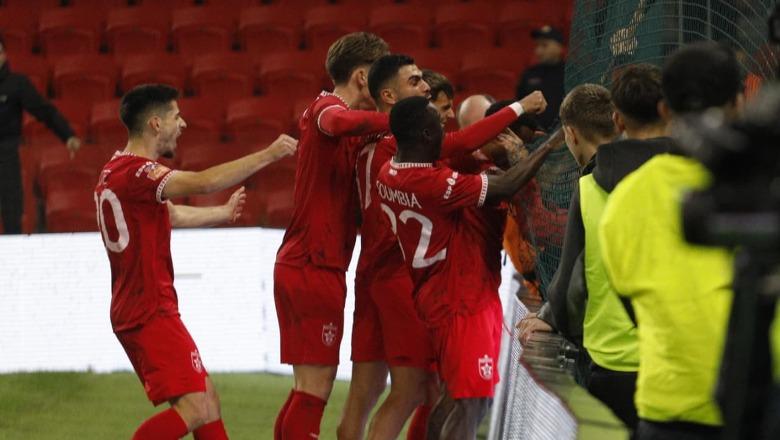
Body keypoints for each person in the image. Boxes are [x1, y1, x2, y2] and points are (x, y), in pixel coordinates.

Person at [342, 54, 549, 440]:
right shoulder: (431, 179)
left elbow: (461, 154)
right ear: (423, 136)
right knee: (450, 398)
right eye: (438, 121)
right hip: (456, 297)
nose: (446, 126)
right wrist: (548, 146)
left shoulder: (392, 168)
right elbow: (495, 182)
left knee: (441, 393)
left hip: (430, 290)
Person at [94, 83, 297, 440]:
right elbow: (202, 182)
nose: (183, 124)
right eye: (176, 116)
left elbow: (168, 215)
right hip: (149, 311)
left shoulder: (116, 170)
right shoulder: (139, 173)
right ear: (156, 124)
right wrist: (269, 154)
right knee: (195, 408)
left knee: (208, 402)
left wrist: (221, 212)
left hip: (141, 308)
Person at [599, 42, 743, 440]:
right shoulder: (762, 184)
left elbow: (630, 302)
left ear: (665, 109)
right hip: (760, 405)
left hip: (670, 409)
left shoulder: (627, 197)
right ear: (740, 102)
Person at [520, 65, 675, 432]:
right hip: (676, 354)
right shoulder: (690, 176)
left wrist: (551, 316)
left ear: (619, 119)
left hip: (611, 356)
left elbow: (576, 274)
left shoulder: (590, 187)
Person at [272, 32, 391, 440]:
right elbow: (336, 122)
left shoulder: (354, 127)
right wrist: (403, 117)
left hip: (307, 263)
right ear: (361, 76)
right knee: (315, 390)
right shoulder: (327, 107)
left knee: (306, 389)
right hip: (313, 265)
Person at [0, 35, 81, 234]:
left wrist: (67, 135)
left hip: (6, 153)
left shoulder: (16, 83)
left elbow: (44, 110)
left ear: (4, 55)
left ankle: (13, 261)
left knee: (12, 213)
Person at [515, 25, 566, 130]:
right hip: (535, 136)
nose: (538, 51)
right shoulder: (529, 74)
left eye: (544, 45)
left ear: (559, 47)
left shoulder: (570, 72)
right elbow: (520, 105)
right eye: (537, 46)